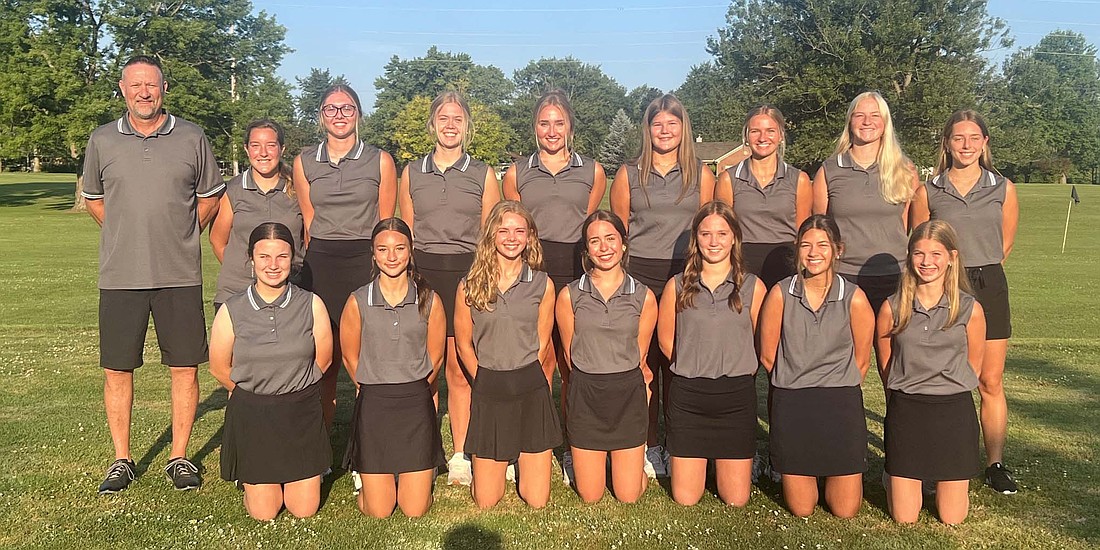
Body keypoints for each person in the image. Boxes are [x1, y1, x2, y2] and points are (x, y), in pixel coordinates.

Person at [82, 55, 225, 494]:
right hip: (120, 277)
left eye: (152, 84)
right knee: (117, 370)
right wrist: (127, 234)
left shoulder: (192, 136)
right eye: (135, 85)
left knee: (184, 368)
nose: (144, 92)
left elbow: (209, 197)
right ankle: (121, 459)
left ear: (164, 88)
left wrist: (181, 234)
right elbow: (94, 199)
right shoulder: (102, 140)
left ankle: (179, 457)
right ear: (122, 89)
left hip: (179, 275)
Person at [909, 110, 1020, 495]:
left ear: (985, 143)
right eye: (958, 138)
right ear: (947, 143)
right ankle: (926, 460)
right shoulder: (929, 190)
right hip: (941, 287)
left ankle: (995, 463)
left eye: (974, 138)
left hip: (987, 283)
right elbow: (918, 242)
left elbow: (1004, 244)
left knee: (989, 380)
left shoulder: (1003, 187)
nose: (966, 146)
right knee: (935, 380)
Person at [502, 89, 607, 483]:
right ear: (535, 128)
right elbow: (513, 223)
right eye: (544, 123)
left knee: (572, 362)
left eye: (559, 122)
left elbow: (591, 221)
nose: (551, 130)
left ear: (570, 126)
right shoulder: (517, 172)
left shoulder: (593, 171)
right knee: (536, 360)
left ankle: (573, 445)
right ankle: (532, 445)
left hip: (577, 271)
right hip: (533, 271)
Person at [398, 90, 501, 485]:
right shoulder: (412, 172)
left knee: (460, 368)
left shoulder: (482, 173)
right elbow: (406, 232)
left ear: (468, 126)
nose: (450, 125)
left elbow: (491, 234)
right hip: (423, 274)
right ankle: (422, 447)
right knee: (424, 366)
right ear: (432, 124)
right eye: (443, 118)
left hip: (467, 274)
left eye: (458, 118)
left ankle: (461, 451)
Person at [610, 94, 715, 477]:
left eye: (673, 123)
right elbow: (619, 231)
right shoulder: (629, 174)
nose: (665, 131)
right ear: (648, 129)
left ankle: (678, 442)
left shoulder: (702, 175)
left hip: (687, 278)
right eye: (658, 124)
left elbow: (711, 228)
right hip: (640, 277)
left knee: (679, 363)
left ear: (683, 128)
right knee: (645, 365)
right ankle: (649, 443)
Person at [209, 222, 333, 521]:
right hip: (254, 415)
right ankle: (251, 477)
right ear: (251, 260)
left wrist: (292, 390)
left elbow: (324, 360)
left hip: (299, 413)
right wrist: (254, 396)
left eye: (282, 256)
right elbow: (218, 367)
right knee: (265, 513)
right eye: (264, 257)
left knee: (303, 509)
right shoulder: (232, 309)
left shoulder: (311, 304)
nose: (273, 265)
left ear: (293, 260)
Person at [293, 84, 398, 428]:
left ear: (358, 114)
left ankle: (369, 443)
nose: (339, 115)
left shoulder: (380, 160)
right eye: (331, 109)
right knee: (324, 358)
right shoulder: (304, 161)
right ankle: (319, 445)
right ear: (321, 117)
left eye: (347, 108)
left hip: (364, 264)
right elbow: (309, 222)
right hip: (321, 264)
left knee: (366, 358)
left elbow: (386, 225)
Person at [757, 215, 875, 518]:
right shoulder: (781, 294)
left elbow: (862, 360)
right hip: (794, 402)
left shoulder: (855, 298)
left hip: (839, 403)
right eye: (806, 245)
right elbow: (768, 355)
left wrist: (835, 387)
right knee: (801, 508)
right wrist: (795, 384)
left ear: (838, 249)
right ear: (797, 250)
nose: (813, 252)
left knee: (845, 510)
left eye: (822, 245)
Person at [655, 201, 766, 507]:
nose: (714, 241)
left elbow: (761, 341)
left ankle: (737, 462)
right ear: (696, 239)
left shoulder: (754, 288)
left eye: (722, 233)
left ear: (734, 238)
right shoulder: (676, 286)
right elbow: (667, 341)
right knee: (686, 497)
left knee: (736, 499)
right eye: (706, 234)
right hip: (689, 396)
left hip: (735, 397)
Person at [876, 220, 986, 525]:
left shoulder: (969, 309)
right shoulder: (892, 307)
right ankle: (896, 474)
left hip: (952, 413)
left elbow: (974, 366)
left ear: (952, 257)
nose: (927, 262)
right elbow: (886, 364)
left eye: (936, 254)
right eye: (919, 253)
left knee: (952, 518)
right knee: (904, 518)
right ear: (909, 256)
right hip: (908, 411)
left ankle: (942, 480)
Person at [454, 201, 561, 509]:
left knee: (537, 499)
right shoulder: (469, 286)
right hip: (490, 385)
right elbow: (463, 343)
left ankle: (521, 458)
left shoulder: (542, 284)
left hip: (530, 388)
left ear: (530, 237)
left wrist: (522, 375)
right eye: (503, 231)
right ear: (491, 236)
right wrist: (484, 380)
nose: (511, 238)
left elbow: (542, 341)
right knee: (486, 500)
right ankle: (500, 459)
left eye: (519, 231)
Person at [340, 218, 447, 518]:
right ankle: (366, 478)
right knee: (379, 510)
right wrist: (377, 387)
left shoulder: (430, 300)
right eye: (383, 249)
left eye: (399, 248)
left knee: (415, 510)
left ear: (410, 251)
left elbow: (435, 358)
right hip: (375, 408)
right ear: (373, 254)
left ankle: (419, 474)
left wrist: (411, 390)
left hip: (415, 407)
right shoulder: (358, 301)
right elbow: (350, 358)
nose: (391, 257)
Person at [555, 210, 658, 504]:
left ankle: (631, 461)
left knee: (628, 495)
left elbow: (639, 356)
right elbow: (570, 355)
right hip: (587, 396)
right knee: (590, 495)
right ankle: (590, 457)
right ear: (586, 249)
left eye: (611, 239)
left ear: (623, 243)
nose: (604, 248)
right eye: (595, 241)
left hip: (626, 396)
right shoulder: (569, 296)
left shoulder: (644, 296)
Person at [812, 91, 919, 314]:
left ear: (885, 123)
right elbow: (819, 228)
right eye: (859, 115)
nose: (867, 122)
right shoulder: (830, 170)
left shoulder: (905, 169)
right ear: (850, 121)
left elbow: (906, 224)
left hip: (894, 275)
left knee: (892, 348)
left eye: (875, 115)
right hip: (843, 276)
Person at [210, 120, 304, 309]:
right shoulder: (233, 190)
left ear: (282, 149)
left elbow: (309, 237)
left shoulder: (299, 188)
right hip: (237, 291)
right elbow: (217, 241)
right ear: (246, 149)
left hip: (290, 290)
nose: (263, 153)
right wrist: (247, 270)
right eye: (255, 146)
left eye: (271, 146)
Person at [715, 105, 812, 288]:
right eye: (755, 131)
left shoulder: (799, 180)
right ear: (746, 136)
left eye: (770, 131)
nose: (762, 138)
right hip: (742, 266)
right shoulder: (728, 179)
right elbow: (724, 231)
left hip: (786, 266)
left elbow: (803, 234)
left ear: (781, 135)